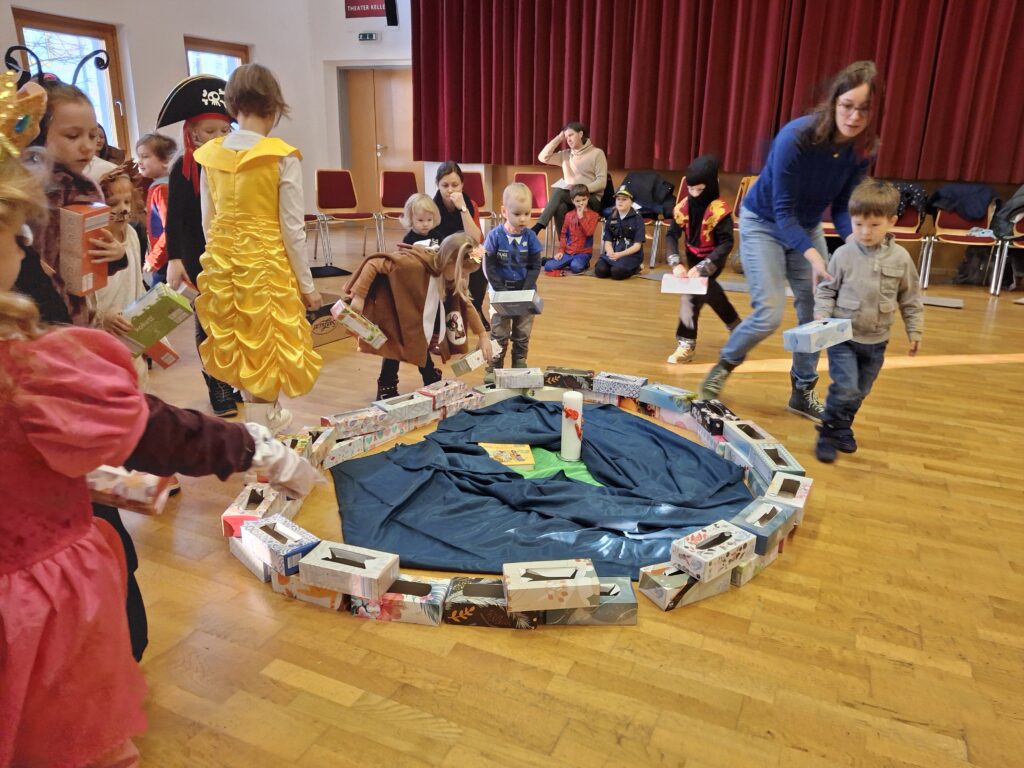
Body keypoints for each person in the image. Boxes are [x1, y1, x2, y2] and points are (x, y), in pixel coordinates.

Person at [0, 129, 318, 768]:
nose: (26, 250)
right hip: (33, 611)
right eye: (17, 237)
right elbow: (154, 431)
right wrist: (253, 447)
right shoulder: (26, 371)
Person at [699, 61, 880, 422]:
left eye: (864, 109)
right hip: (763, 223)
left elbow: (841, 207)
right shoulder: (796, 137)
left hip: (807, 226)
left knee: (817, 311)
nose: (854, 116)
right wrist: (814, 256)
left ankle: (802, 390)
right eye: (848, 105)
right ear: (834, 102)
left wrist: (855, 245)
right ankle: (724, 365)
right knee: (768, 313)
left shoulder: (862, 150)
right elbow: (782, 211)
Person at [194, 64, 322, 431]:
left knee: (240, 342)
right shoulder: (281, 156)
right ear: (274, 106)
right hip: (266, 264)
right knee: (268, 341)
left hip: (224, 263)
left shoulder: (211, 155)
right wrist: (308, 286)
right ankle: (263, 429)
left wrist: (220, 261)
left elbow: (209, 221)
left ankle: (259, 420)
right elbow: (292, 229)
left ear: (232, 105)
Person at [812, 179, 923, 462]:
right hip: (842, 336)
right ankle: (827, 431)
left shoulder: (901, 259)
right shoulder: (843, 255)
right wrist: (821, 313)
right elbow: (827, 290)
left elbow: (910, 298)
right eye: (858, 224)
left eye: (874, 225)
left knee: (860, 391)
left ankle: (841, 426)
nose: (865, 231)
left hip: (877, 341)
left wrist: (915, 331)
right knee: (846, 387)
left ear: (892, 222)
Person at [157, 74, 237, 417]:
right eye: (210, 131)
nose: (218, 137)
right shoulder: (183, 168)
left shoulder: (234, 163)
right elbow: (174, 218)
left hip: (232, 249)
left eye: (224, 130)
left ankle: (233, 378)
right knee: (209, 319)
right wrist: (174, 258)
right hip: (197, 251)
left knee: (234, 318)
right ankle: (216, 385)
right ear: (192, 133)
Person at [20, 80, 128, 327]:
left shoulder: (85, 189)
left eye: (93, 136)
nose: (87, 146)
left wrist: (115, 255)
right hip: (30, 314)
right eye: (72, 136)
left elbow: (89, 261)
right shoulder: (22, 188)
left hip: (74, 312)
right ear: (39, 134)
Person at [344, 232, 492, 398]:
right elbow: (374, 262)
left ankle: (429, 377)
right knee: (395, 346)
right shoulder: (412, 264)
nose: (464, 277)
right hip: (397, 310)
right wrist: (359, 296)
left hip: (419, 316)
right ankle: (387, 384)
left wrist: (482, 335)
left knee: (419, 343)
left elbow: (466, 303)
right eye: (463, 272)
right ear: (450, 262)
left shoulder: (447, 273)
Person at [363, 193, 444, 399]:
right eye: (420, 220)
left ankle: (428, 375)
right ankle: (388, 382)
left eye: (429, 219)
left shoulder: (439, 236)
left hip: (429, 296)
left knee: (420, 338)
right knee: (398, 340)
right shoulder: (409, 240)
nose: (425, 224)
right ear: (410, 219)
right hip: (408, 296)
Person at [664, 155, 741, 364]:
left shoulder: (720, 211)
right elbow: (671, 235)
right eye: (691, 189)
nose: (694, 194)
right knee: (709, 291)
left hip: (713, 257)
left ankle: (686, 344)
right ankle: (736, 326)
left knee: (692, 295)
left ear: (710, 186)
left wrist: (704, 267)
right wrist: (675, 262)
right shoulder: (682, 208)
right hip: (692, 255)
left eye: (699, 190)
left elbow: (726, 243)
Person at [94, 164, 148, 384]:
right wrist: (101, 317)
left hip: (129, 335)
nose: (123, 209)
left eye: (127, 202)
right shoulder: (94, 243)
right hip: (102, 339)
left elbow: (136, 281)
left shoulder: (132, 234)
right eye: (112, 203)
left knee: (138, 381)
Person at [484, 182, 543, 376]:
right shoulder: (494, 236)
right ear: (504, 211)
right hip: (500, 292)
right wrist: (499, 290)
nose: (523, 219)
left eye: (527, 213)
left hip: (525, 291)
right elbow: (489, 266)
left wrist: (526, 289)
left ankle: (519, 362)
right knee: (499, 333)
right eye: (517, 214)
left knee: (522, 331)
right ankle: (494, 366)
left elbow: (535, 265)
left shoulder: (531, 237)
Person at [428, 161, 484, 322]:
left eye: (455, 185)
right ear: (437, 185)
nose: (450, 190)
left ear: (462, 185)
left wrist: (462, 208)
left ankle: (476, 308)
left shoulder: (470, 204)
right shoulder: (431, 206)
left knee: (481, 255)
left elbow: (476, 239)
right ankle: (444, 308)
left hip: (466, 248)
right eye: (445, 185)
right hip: (443, 251)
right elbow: (430, 239)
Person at [533, 121, 607, 235]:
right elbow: (542, 157)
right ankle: (564, 244)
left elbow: (601, 182)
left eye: (571, 135)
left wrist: (579, 189)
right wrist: (559, 138)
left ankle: (538, 226)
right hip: (570, 199)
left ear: (580, 134)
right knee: (560, 208)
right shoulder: (565, 154)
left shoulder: (597, 153)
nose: (568, 139)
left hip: (590, 199)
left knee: (559, 192)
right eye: (566, 137)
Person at [136, 132, 177, 286]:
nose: (139, 162)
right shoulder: (159, 185)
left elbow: (170, 229)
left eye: (145, 156)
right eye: (139, 157)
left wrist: (155, 259)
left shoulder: (162, 189)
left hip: (167, 260)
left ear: (165, 161)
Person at [543, 183, 599, 275]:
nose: (581, 203)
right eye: (578, 201)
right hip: (568, 252)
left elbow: (589, 232)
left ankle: (579, 263)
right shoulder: (569, 215)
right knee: (548, 266)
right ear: (573, 201)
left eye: (584, 200)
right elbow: (564, 235)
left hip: (583, 253)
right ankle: (568, 262)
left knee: (576, 267)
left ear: (588, 198)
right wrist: (561, 251)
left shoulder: (594, 215)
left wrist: (581, 217)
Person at [595, 184, 645, 280]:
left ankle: (636, 268)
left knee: (617, 272)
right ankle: (614, 265)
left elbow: (637, 246)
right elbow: (608, 241)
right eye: (618, 199)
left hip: (629, 255)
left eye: (624, 199)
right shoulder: (611, 218)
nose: (620, 202)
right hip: (614, 253)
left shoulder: (637, 219)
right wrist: (610, 252)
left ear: (631, 202)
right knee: (600, 271)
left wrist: (620, 254)